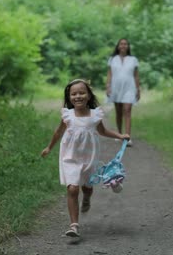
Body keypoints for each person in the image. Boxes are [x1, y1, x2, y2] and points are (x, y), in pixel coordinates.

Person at [41, 79, 130, 238]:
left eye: (82, 93)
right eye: (73, 94)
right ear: (69, 97)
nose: (78, 96)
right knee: (73, 188)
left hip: (89, 157)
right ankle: (74, 226)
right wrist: (49, 147)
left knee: (87, 187)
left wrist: (120, 135)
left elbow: (103, 131)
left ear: (88, 95)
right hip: (70, 157)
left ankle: (87, 197)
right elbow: (58, 132)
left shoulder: (95, 115)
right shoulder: (67, 115)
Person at [106, 38, 140, 147]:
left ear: (128, 46)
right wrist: (108, 86)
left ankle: (127, 137)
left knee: (127, 110)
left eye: (125, 44)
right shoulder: (112, 59)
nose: (123, 45)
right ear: (118, 46)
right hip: (116, 87)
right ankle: (119, 134)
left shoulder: (133, 59)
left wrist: (138, 89)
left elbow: (136, 75)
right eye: (121, 44)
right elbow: (109, 74)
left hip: (129, 87)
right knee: (119, 112)